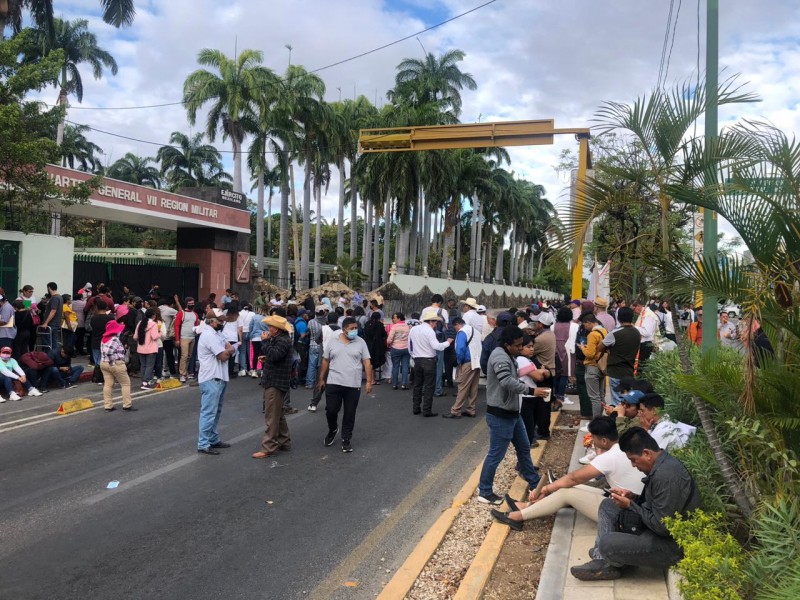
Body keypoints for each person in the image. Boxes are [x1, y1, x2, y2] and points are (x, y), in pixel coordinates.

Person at [570, 427, 702, 581]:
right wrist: (632, 497)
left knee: (607, 543)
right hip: (656, 530)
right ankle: (604, 559)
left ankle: (608, 559)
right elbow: (655, 504)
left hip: (671, 546)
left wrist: (630, 505)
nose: (633, 465)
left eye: (633, 459)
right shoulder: (661, 464)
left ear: (646, 453)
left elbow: (662, 527)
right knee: (608, 505)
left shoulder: (667, 477)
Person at [491, 417, 645, 530]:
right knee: (562, 488)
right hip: (628, 502)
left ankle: (517, 518)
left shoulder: (609, 457)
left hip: (624, 514)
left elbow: (574, 478)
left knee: (566, 493)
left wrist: (546, 489)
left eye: (593, 438)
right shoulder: (618, 449)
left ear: (604, 440)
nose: (591, 441)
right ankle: (526, 506)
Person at [477, 325, 542, 505]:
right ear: (507, 344)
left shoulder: (508, 355)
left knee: (523, 448)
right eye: (518, 345)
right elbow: (506, 381)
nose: (520, 348)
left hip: (513, 413)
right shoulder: (499, 356)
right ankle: (485, 491)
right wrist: (531, 391)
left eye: (522, 345)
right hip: (500, 415)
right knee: (496, 455)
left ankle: (534, 482)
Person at [317, 317, 373, 453]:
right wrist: (321, 379)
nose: (355, 331)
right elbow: (325, 360)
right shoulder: (333, 342)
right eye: (351, 328)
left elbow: (367, 362)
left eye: (356, 328)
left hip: (353, 385)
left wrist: (369, 382)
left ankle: (346, 439)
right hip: (334, 382)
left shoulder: (361, 342)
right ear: (344, 329)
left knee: (349, 413)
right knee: (331, 410)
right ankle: (333, 429)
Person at [196, 311, 236, 455]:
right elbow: (223, 356)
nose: (222, 323)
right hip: (211, 378)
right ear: (212, 321)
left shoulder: (217, 334)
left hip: (219, 377)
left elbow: (229, 348)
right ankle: (203, 443)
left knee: (215, 412)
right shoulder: (208, 335)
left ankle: (212, 439)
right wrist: (230, 350)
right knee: (208, 412)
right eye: (220, 321)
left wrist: (229, 350)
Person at [408, 309, 453, 417]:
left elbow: (409, 346)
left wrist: (413, 356)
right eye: (436, 322)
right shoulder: (429, 331)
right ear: (431, 322)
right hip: (429, 361)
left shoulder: (413, 329)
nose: (436, 325)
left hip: (417, 360)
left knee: (417, 385)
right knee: (429, 386)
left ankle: (416, 408)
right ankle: (427, 410)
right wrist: (448, 342)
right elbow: (437, 346)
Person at [514, 334, 552, 445]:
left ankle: (530, 441)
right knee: (528, 423)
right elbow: (539, 377)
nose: (531, 349)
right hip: (526, 396)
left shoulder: (529, 360)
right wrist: (542, 371)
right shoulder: (521, 360)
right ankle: (528, 442)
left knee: (532, 422)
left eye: (532, 346)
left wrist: (543, 372)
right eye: (528, 347)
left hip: (532, 395)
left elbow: (545, 373)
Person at [444, 315, 483, 418]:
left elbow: (460, 349)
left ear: (457, 324)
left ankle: (455, 410)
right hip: (477, 361)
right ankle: (471, 409)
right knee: (473, 387)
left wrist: (459, 361)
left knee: (462, 386)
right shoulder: (474, 330)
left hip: (467, 362)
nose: (455, 330)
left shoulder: (462, 332)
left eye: (455, 327)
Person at [602, 307, 642, 405]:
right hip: (629, 371)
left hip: (615, 371)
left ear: (618, 318)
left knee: (617, 401)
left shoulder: (614, 333)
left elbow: (600, 347)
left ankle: (618, 418)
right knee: (627, 400)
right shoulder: (637, 333)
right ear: (632, 318)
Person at [307, 313, 341, 412]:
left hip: (323, 360)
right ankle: (333, 404)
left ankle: (313, 404)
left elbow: (317, 340)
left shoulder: (323, 329)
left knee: (320, 382)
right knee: (335, 383)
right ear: (337, 319)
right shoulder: (341, 331)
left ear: (327, 320)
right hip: (337, 360)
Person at [99, 321, 134, 412]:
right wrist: (112, 363)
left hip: (103, 363)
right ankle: (127, 404)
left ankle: (108, 405)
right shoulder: (114, 339)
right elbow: (109, 352)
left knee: (108, 384)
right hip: (115, 363)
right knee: (125, 383)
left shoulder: (103, 339)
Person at [578, 314, 608, 417]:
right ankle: (601, 419)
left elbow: (590, 354)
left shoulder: (592, 334)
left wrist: (582, 347)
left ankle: (596, 423)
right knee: (601, 395)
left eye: (585, 325)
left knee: (594, 397)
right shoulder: (604, 331)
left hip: (592, 366)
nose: (585, 327)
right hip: (602, 365)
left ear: (589, 322)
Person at [422, 294, 448, 396]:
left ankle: (425, 388)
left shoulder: (425, 310)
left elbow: (421, 323)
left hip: (426, 341)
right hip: (439, 340)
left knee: (427, 365)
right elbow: (446, 326)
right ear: (440, 302)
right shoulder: (443, 311)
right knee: (438, 366)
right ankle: (437, 390)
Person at [554, 306, 578, 408]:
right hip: (568, 351)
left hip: (555, 352)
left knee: (557, 374)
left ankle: (556, 395)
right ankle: (561, 396)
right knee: (565, 374)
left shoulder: (553, 326)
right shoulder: (574, 326)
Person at [135, 308, 161, 389]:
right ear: (153, 316)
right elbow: (154, 337)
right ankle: (146, 382)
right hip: (151, 349)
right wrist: (160, 332)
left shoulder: (140, 323)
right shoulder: (154, 324)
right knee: (149, 366)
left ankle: (143, 381)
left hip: (140, 348)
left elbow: (135, 337)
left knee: (143, 365)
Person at [175, 297, 200, 383]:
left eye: (193, 303)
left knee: (188, 356)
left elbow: (196, 326)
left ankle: (185, 373)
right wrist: (177, 339)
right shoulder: (181, 313)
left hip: (192, 337)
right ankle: (182, 374)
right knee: (184, 356)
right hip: (184, 337)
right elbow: (176, 326)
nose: (192, 305)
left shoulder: (195, 314)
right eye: (190, 304)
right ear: (186, 304)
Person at [631, 300, 658, 370]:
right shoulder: (643, 314)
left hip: (645, 345)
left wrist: (633, 327)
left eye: (634, 309)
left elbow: (646, 332)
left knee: (641, 368)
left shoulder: (648, 315)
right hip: (642, 344)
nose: (634, 311)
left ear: (639, 306)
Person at [387, 312, 411, 390]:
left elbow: (389, 339)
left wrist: (389, 344)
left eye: (394, 318)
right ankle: (404, 384)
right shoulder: (408, 327)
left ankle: (395, 384)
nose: (393, 319)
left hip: (395, 348)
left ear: (399, 319)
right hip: (406, 348)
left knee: (395, 366)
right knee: (405, 366)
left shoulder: (394, 327)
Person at [364, 312, 387, 384]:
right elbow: (384, 334)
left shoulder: (367, 323)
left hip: (367, 345)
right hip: (377, 346)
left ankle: (371, 379)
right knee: (374, 362)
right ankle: (372, 380)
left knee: (369, 361)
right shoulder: (379, 324)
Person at [305, 305, 325, 388]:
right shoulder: (326, 322)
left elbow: (308, 331)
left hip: (313, 344)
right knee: (321, 365)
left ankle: (310, 383)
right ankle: (320, 382)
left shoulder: (311, 322)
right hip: (322, 345)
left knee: (312, 365)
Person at [40, 282, 63, 352]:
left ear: (49, 288)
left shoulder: (54, 298)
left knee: (48, 343)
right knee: (54, 342)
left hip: (51, 323)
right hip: (56, 323)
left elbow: (53, 311)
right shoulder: (60, 297)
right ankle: (54, 356)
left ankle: (49, 357)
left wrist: (46, 322)